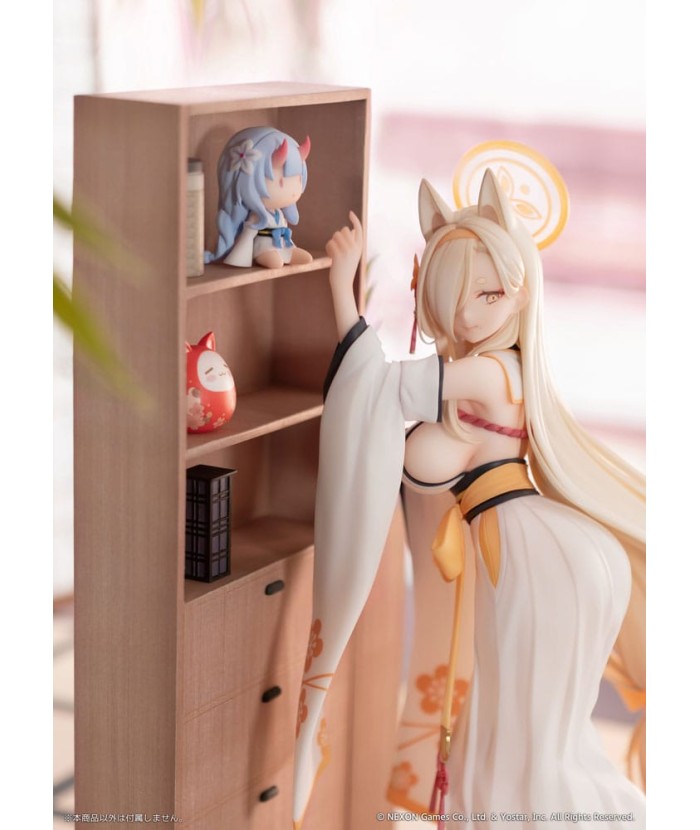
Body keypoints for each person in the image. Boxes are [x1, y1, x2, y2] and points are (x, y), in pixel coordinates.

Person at [292, 170, 645, 829]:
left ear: (520, 290)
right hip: (518, 546)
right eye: (451, 297)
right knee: (516, 721)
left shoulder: (487, 371)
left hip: (526, 551)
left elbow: (376, 387)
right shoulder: (491, 369)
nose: (467, 316)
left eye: (488, 294)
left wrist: (341, 289)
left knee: (526, 727)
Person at [205, 126, 312, 268]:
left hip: (282, 244)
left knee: (302, 258)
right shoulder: (257, 216)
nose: (293, 191)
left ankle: (288, 253)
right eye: (280, 183)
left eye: (298, 180)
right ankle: (266, 256)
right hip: (263, 247)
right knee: (275, 262)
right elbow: (249, 233)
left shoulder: (279, 214)